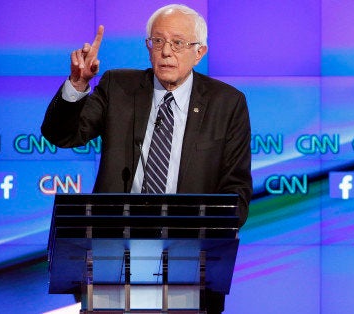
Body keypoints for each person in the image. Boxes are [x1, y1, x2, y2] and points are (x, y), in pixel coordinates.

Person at [41, 4, 252, 313]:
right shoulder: (118, 87)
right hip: (112, 257)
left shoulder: (227, 103)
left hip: (187, 262)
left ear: (200, 51)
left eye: (178, 43)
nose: (166, 51)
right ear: (148, 47)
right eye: (158, 41)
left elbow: (237, 191)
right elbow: (63, 135)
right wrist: (78, 84)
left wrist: (208, 238)